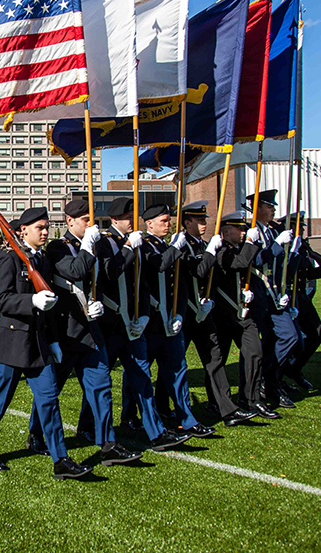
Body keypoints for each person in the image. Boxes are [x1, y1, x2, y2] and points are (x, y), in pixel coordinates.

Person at [0, 206, 92, 480]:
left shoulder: (41, 260)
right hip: (11, 342)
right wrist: (30, 301)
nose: (44, 232)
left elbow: (50, 303)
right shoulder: (8, 258)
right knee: (0, 401)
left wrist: (53, 340)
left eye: (46, 226)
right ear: (23, 230)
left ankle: (61, 459)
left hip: (39, 343)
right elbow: (1, 300)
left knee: (49, 399)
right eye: (39, 227)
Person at [26, 199, 142, 466]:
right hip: (66, 333)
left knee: (101, 386)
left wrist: (99, 300)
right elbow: (75, 271)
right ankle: (36, 434)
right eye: (86, 220)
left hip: (92, 330)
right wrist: (89, 245)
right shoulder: (57, 248)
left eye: (93, 220)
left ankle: (107, 442)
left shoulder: (96, 244)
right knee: (52, 389)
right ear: (70, 222)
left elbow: (107, 276)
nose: (92, 225)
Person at [88, 197, 191, 452]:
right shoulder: (103, 242)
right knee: (99, 382)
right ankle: (87, 425)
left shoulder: (136, 242)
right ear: (114, 220)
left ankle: (156, 433)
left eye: (133, 216)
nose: (131, 221)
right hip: (111, 325)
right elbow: (110, 273)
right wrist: (126, 250)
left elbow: (143, 283)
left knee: (143, 377)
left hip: (133, 325)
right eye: (127, 217)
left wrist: (144, 314)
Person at [156, 201, 258, 427]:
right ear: (186, 222)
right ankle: (161, 407)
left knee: (215, 359)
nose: (204, 224)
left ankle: (227, 410)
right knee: (174, 363)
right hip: (185, 314)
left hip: (203, 313)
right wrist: (210, 252)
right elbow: (199, 270)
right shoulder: (180, 245)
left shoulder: (204, 245)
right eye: (199, 220)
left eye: (205, 220)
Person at [138, 203, 215, 438]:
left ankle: (187, 419)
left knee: (179, 371)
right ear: (149, 224)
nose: (168, 224)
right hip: (150, 323)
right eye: (163, 221)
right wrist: (175, 247)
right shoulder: (145, 245)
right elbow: (159, 264)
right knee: (140, 376)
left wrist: (180, 313)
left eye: (169, 220)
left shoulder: (171, 246)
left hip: (171, 321)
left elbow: (180, 285)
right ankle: (131, 417)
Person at [212, 211, 280, 420]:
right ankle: (216, 403)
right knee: (218, 360)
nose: (243, 232)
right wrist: (250, 242)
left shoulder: (243, 248)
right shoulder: (220, 249)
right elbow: (238, 263)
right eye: (239, 229)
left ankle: (252, 399)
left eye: (244, 229)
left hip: (243, 314)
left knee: (254, 352)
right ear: (225, 231)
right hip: (223, 315)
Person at [246, 190, 302, 409]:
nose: (273, 210)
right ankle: (266, 382)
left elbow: (279, 267)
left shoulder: (269, 231)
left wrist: (284, 291)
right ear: (258, 207)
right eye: (269, 206)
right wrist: (278, 245)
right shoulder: (253, 231)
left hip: (274, 295)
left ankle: (270, 381)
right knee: (270, 343)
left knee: (288, 337)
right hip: (259, 296)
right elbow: (257, 259)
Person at [280, 212, 321, 391]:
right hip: (287, 296)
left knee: (317, 333)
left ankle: (294, 369)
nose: (302, 231)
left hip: (301, 296)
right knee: (292, 339)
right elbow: (285, 272)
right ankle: (277, 378)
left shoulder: (302, 246)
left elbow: (306, 273)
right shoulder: (284, 245)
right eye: (299, 227)